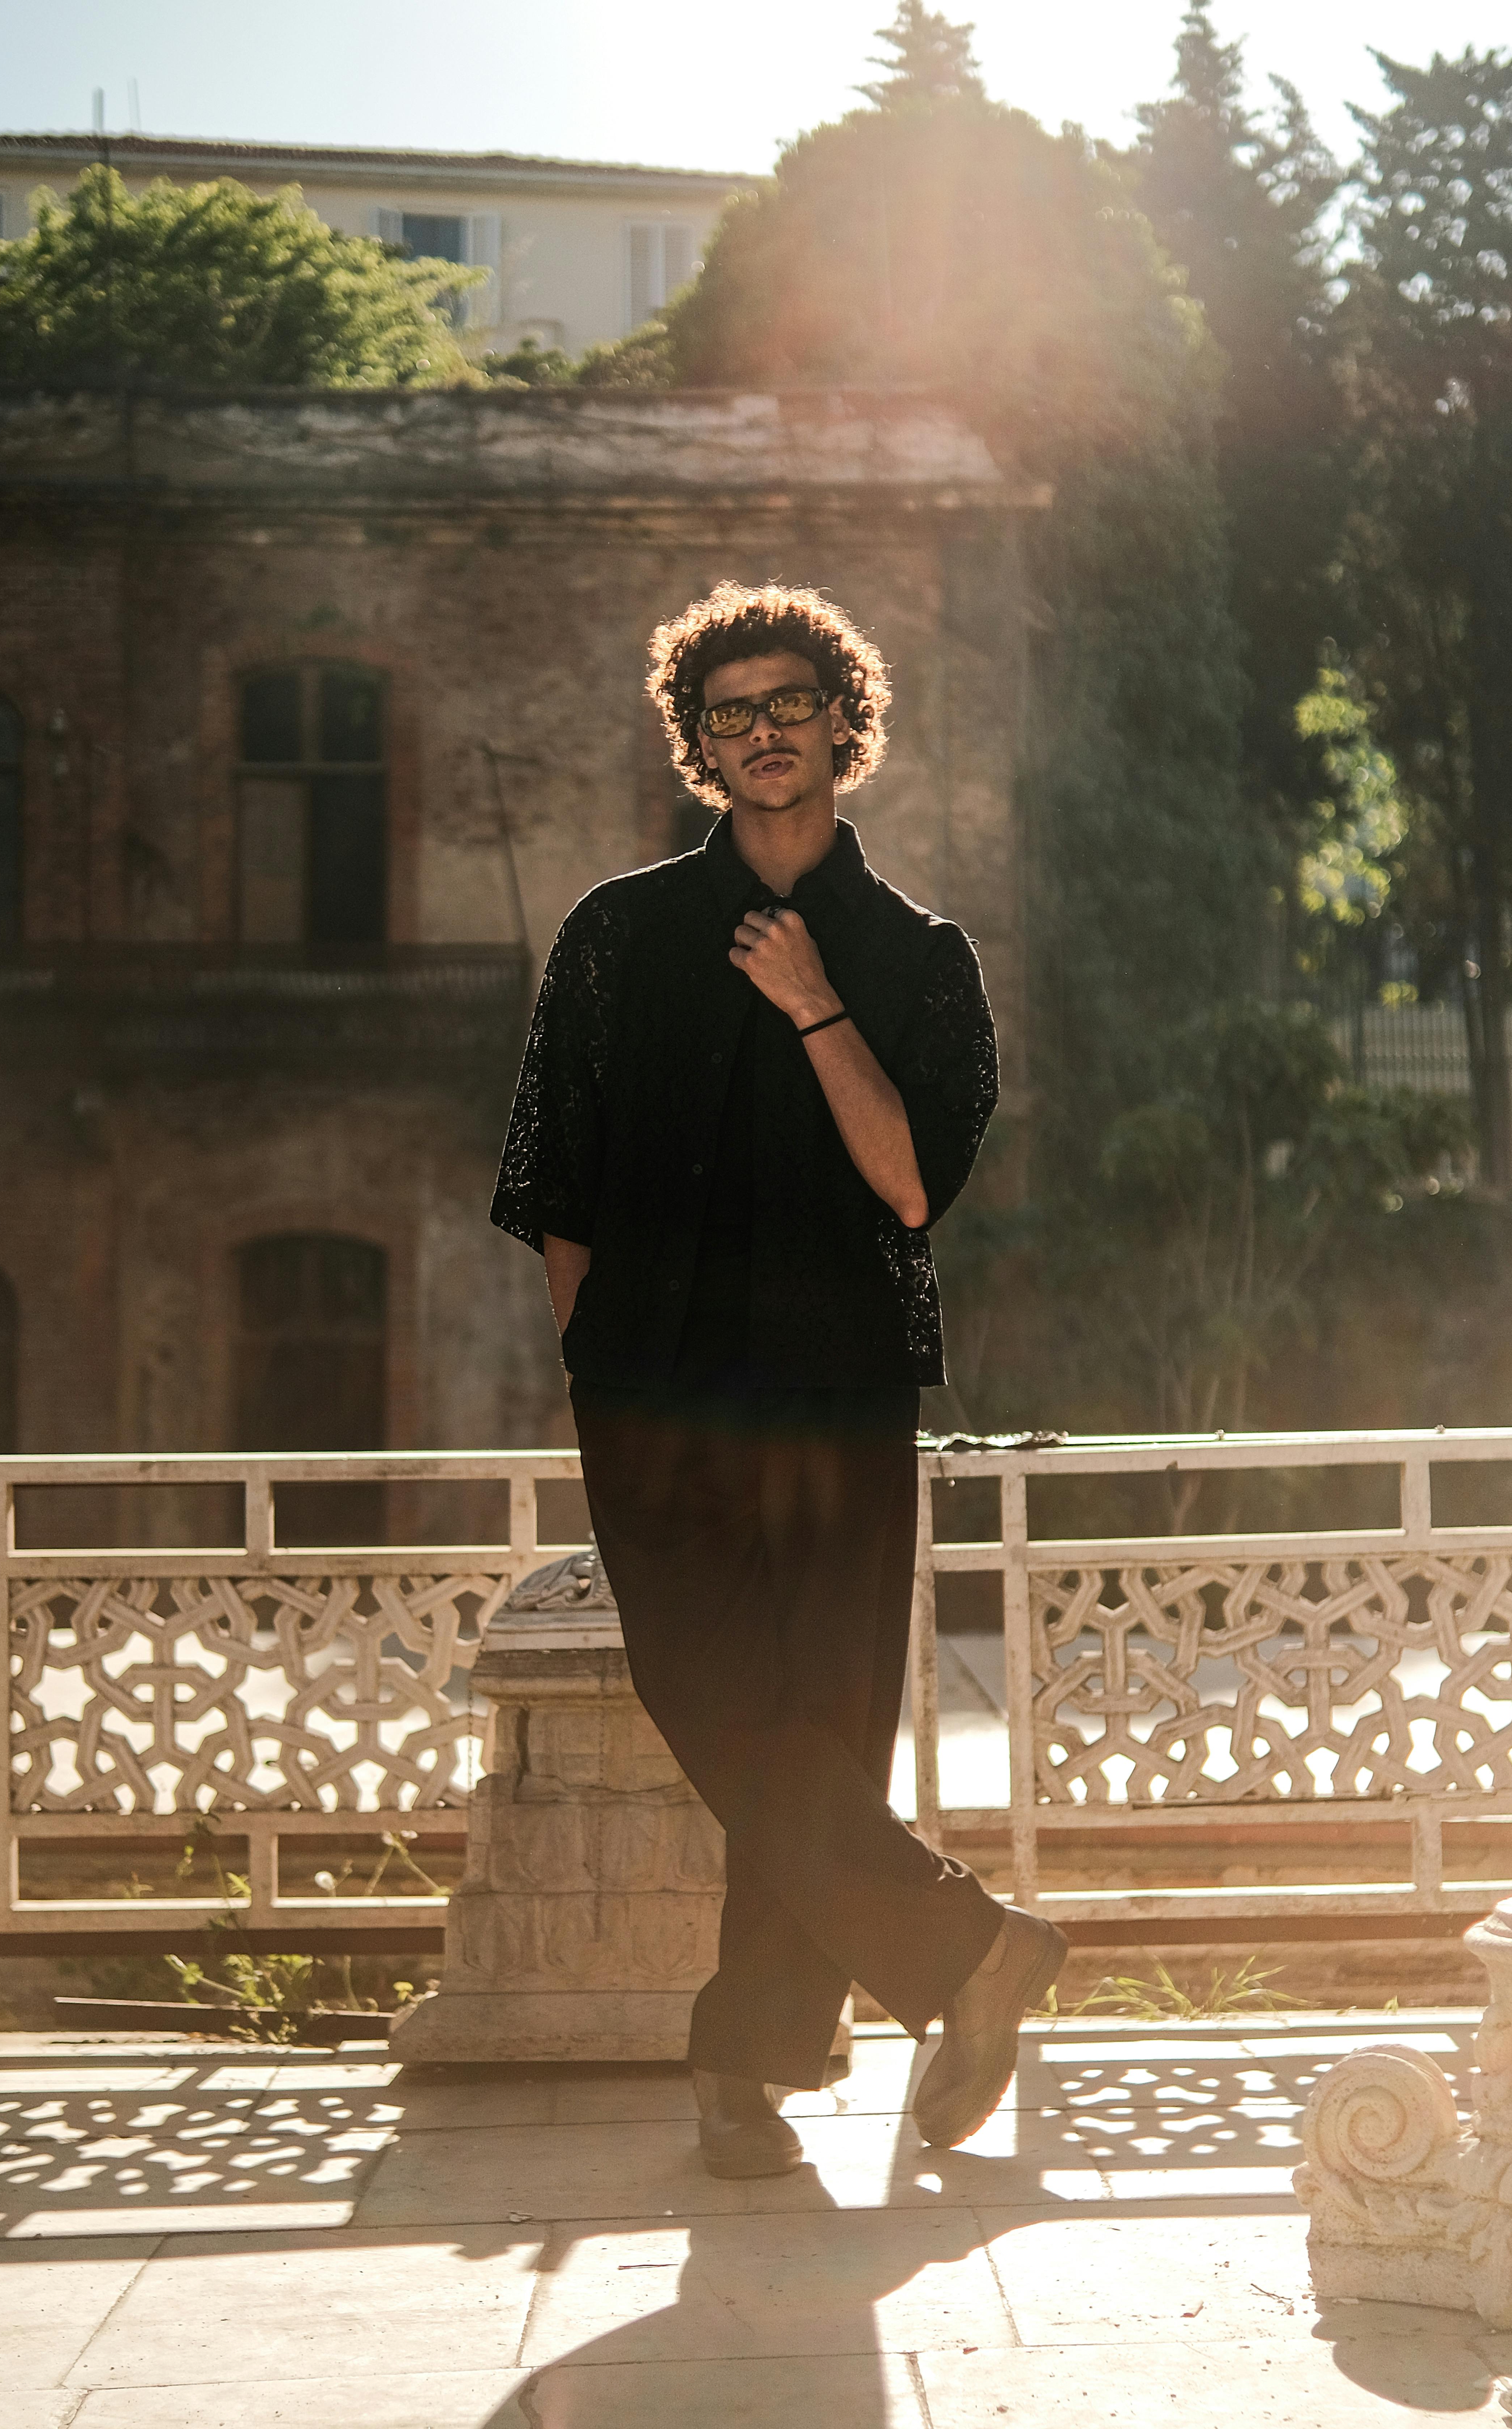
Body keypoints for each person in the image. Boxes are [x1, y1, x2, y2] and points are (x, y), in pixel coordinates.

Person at [490, 579, 1065, 2177]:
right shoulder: (615, 936)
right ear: (697, 744)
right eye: (728, 714)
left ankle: (751, 2059)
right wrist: (603, 1356)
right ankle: (969, 1954)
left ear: (842, 724)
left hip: (837, 1387)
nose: (761, 735)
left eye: (788, 706)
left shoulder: (921, 958)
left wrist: (815, 1005)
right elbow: (557, 1183)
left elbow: (905, 1188)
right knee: (713, 1692)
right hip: (655, 1389)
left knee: (815, 1721)